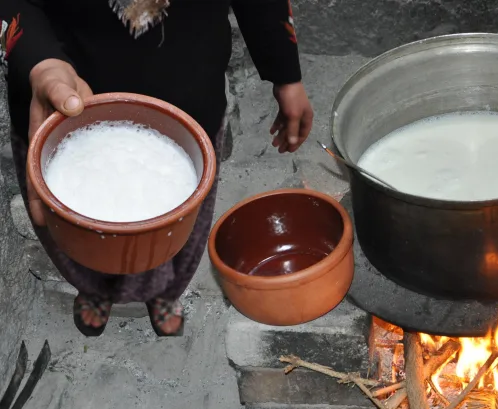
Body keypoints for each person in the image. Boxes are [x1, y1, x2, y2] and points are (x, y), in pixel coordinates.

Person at [0, 0, 314, 337]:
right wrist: (40, 61)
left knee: (176, 236)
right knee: (79, 239)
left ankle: (164, 294)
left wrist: (285, 71)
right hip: (65, 95)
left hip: (187, 93)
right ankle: (95, 291)